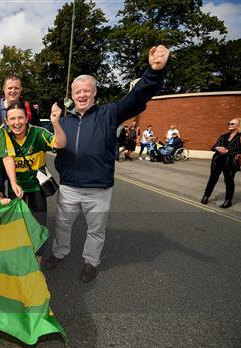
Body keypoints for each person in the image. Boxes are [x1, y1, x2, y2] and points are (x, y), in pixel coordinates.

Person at [42, 45, 170, 282]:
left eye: (86, 91)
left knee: (96, 230)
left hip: (98, 189)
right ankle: (60, 252)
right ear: (71, 95)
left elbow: (136, 97)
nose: (81, 95)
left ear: (94, 93)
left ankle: (91, 261)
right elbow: (38, 139)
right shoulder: (63, 121)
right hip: (69, 186)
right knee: (62, 225)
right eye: (77, 91)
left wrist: (154, 72)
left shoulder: (109, 114)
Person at [5, 101, 67, 260]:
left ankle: (37, 262)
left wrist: (55, 123)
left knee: (38, 225)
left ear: (27, 119)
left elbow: (60, 143)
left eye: (20, 118)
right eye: (12, 119)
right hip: (15, 188)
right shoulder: (3, 136)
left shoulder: (38, 133)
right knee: (15, 225)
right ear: (6, 121)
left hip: (36, 188)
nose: (16, 122)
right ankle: (19, 258)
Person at [200, 118, 241, 208]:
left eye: (232, 124)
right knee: (212, 179)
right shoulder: (224, 136)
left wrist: (228, 151)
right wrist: (217, 148)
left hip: (231, 161)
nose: (229, 125)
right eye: (229, 123)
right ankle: (206, 195)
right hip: (217, 160)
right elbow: (213, 146)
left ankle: (228, 200)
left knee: (229, 181)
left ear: (239, 125)